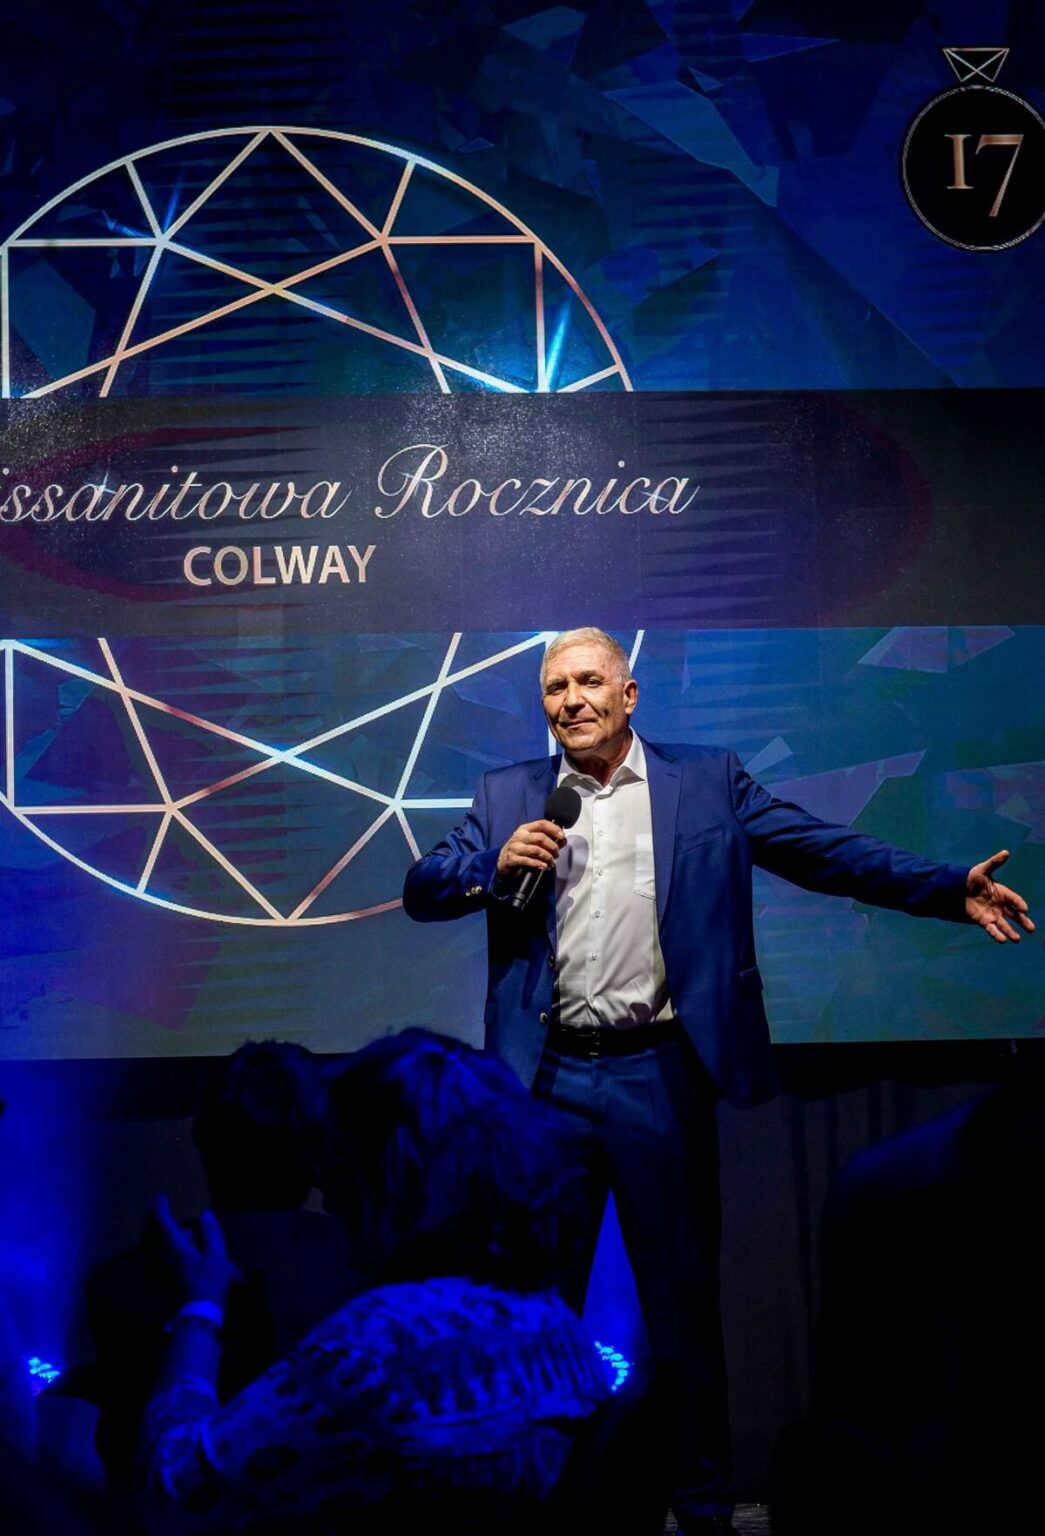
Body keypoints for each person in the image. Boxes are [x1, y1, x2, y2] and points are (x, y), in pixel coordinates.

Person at [401, 625, 1033, 1535]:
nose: (571, 701)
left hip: (656, 1070)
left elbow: (821, 850)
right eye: (554, 688)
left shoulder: (704, 780)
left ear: (628, 695)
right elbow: (424, 886)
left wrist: (942, 888)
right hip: (543, 1081)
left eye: (589, 683)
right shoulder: (508, 794)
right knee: (533, 1308)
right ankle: (538, 1499)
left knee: (682, 1306)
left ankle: (698, 1503)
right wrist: (489, 868)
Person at [138, 1028, 613, 1532]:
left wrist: (200, 1309)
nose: (329, 1191)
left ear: (391, 1176)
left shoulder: (378, 1344)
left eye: (341, 1160)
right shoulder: (560, 1328)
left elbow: (171, 1499)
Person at [87, 1041, 356, 1492]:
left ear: (201, 1136)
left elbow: (122, 1457)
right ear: (318, 1148)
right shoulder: (369, 1276)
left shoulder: (116, 1284)